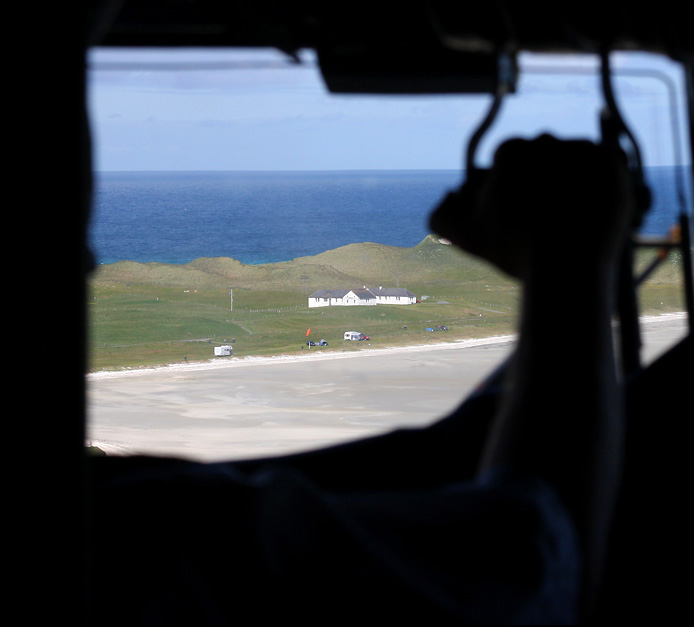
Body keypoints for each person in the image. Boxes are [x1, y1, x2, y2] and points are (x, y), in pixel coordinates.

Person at [89, 135, 633, 623]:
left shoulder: (137, 517)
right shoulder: (158, 537)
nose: (92, 261)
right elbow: (533, 555)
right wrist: (568, 251)